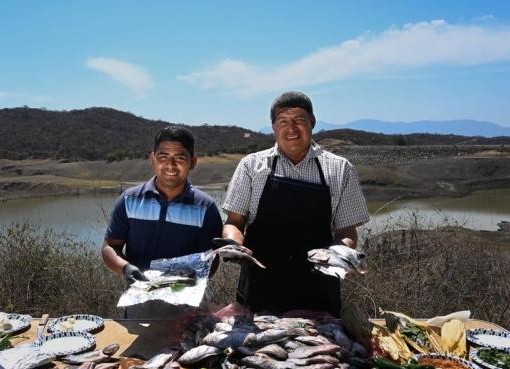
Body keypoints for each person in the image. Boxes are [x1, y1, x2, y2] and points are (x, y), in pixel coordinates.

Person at [220, 91, 370, 317]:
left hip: (319, 293)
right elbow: (234, 222)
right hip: (259, 291)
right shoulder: (251, 166)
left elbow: (347, 231)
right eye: (283, 121)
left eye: (299, 120)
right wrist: (234, 245)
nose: (291, 128)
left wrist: (337, 254)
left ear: (312, 122)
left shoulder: (340, 169)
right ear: (273, 126)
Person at [102, 125, 223, 319]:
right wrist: (125, 268)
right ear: (152, 159)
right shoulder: (129, 200)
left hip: (189, 311)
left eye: (180, 158)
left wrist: (196, 275)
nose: (170, 165)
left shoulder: (205, 207)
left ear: (192, 162)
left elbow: (212, 259)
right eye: (163, 157)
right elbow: (110, 247)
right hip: (139, 308)